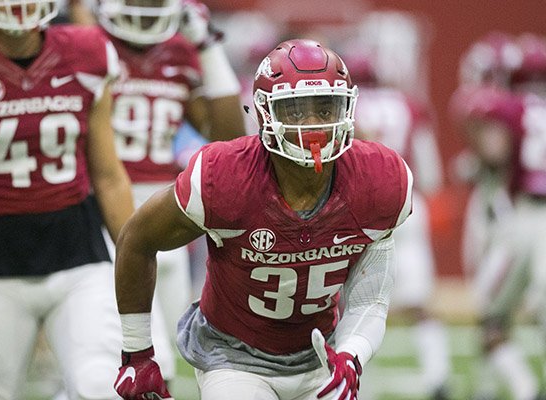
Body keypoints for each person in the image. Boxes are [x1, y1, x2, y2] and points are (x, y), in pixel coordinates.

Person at [112, 38, 413, 400]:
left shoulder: (379, 179)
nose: (314, 126)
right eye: (297, 111)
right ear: (265, 113)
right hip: (232, 357)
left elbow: (369, 299)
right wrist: (137, 351)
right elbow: (137, 239)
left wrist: (351, 355)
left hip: (321, 358)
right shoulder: (224, 176)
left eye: (326, 108)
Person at [0, 0, 135, 399]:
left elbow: (109, 175)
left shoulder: (88, 52)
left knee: (98, 386)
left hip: (79, 258)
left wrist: (136, 262)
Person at [92, 0, 246, 384]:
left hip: (165, 209)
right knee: (120, 352)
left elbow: (228, 140)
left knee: (165, 359)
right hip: (103, 206)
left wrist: (208, 46)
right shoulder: (90, 47)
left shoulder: (178, 52)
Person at [345, 50, 452, 400]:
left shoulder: (348, 106)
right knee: (420, 302)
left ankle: (355, 382)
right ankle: (438, 377)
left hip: (363, 208)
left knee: (352, 305)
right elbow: (429, 166)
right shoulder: (408, 104)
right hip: (407, 201)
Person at [451, 32, 546, 400]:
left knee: (491, 314)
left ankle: (523, 387)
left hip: (523, 216)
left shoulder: (510, 107)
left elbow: (493, 153)